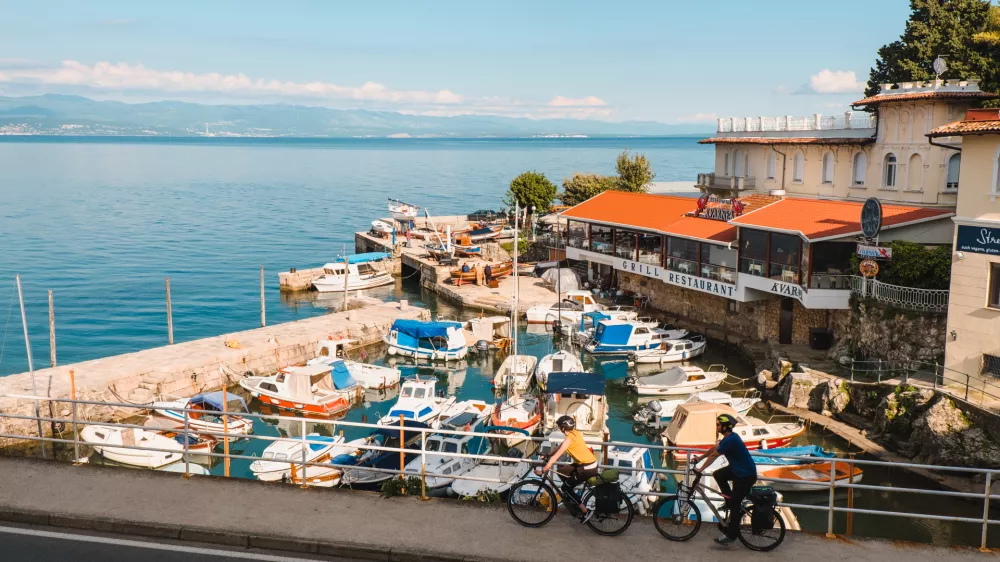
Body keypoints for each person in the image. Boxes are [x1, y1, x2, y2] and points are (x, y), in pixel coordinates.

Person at [694, 413, 757, 546]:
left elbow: (714, 456)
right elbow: (714, 449)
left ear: (725, 427)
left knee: (735, 505)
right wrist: (700, 458)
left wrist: (700, 470)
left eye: (718, 424)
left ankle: (731, 535)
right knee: (719, 474)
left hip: (746, 475)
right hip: (737, 470)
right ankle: (729, 500)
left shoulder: (731, 440)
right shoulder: (729, 437)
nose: (716, 427)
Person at [534, 415, 598, 524]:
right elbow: (560, 447)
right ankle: (571, 495)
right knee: (561, 471)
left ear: (563, 428)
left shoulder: (569, 440)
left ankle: (584, 510)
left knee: (565, 487)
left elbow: (555, 458)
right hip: (588, 464)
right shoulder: (575, 433)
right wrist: (548, 454)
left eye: (559, 427)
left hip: (587, 468)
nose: (559, 429)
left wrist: (543, 471)